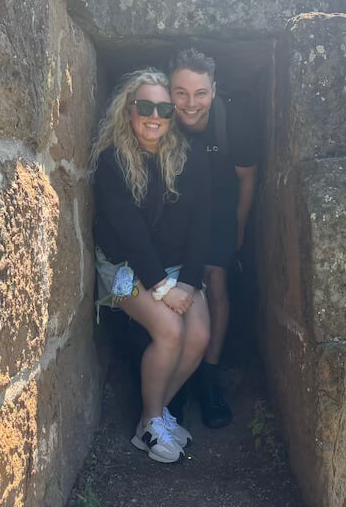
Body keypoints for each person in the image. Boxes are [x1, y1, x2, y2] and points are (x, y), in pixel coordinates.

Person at [91, 68, 211, 463]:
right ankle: (155, 419)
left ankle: (151, 420)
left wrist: (190, 284)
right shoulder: (112, 162)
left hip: (178, 270)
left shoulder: (186, 157)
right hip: (126, 267)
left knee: (198, 337)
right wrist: (163, 288)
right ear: (129, 110)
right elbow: (130, 234)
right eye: (145, 106)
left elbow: (200, 223)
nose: (154, 115)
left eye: (163, 108)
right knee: (171, 330)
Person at [169, 49, 258, 429]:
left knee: (215, 282)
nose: (191, 104)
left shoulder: (233, 123)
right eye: (181, 93)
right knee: (172, 282)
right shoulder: (160, 116)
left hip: (219, 208)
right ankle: (176, 373)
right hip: (173, 208)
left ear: (214, 90)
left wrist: (239, 228)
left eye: (201, 93)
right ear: (168, 90)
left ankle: (209, 374)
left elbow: (247, 179)